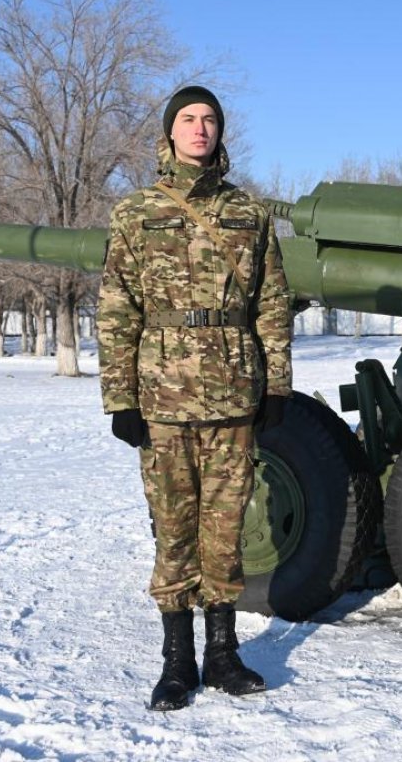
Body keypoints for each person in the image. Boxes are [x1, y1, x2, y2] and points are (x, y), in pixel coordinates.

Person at [96, 85, 293, 711]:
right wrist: (120, 398)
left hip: (234, 392)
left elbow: (271, 302)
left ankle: (224, 653)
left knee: (226, 529)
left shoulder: (249, 213)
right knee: (174, 529)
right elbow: (116, 308)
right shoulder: (134, 213)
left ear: (220, 132)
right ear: (170, 132)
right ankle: (177, 660)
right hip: (163, 396)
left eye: (210, 119)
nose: (200, 128)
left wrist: (278, 385)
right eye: (189, 118)